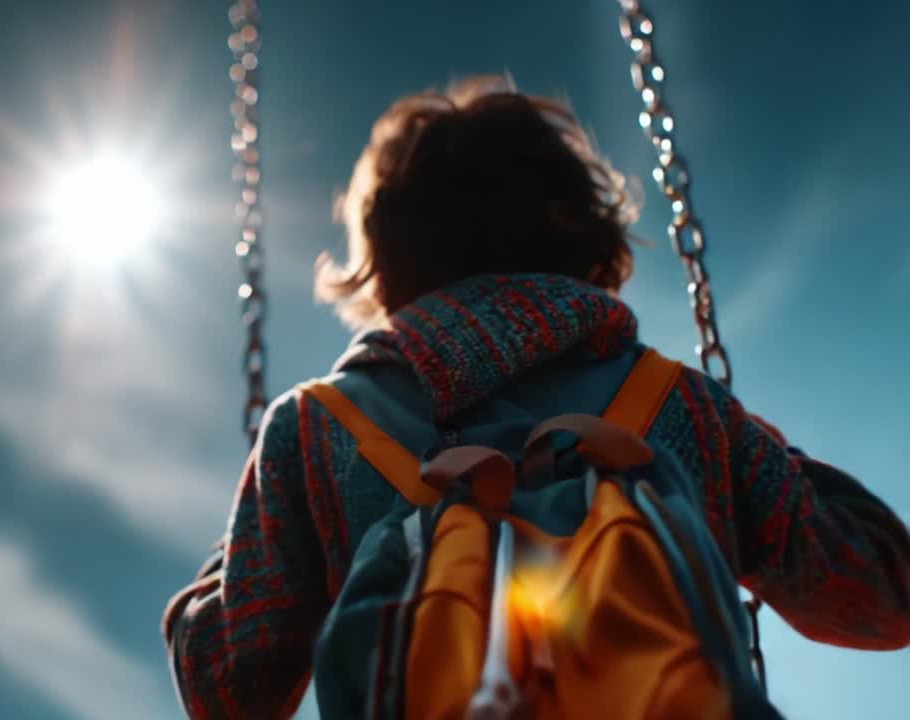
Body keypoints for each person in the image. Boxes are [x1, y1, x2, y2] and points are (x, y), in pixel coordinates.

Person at [162, 76, 910, 719]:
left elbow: (230, 689)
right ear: (585, 232)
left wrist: (237, 550)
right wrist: (771, 459)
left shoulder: (316, 428)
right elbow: (881, 593)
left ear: (383, 265)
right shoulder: (685, 407)